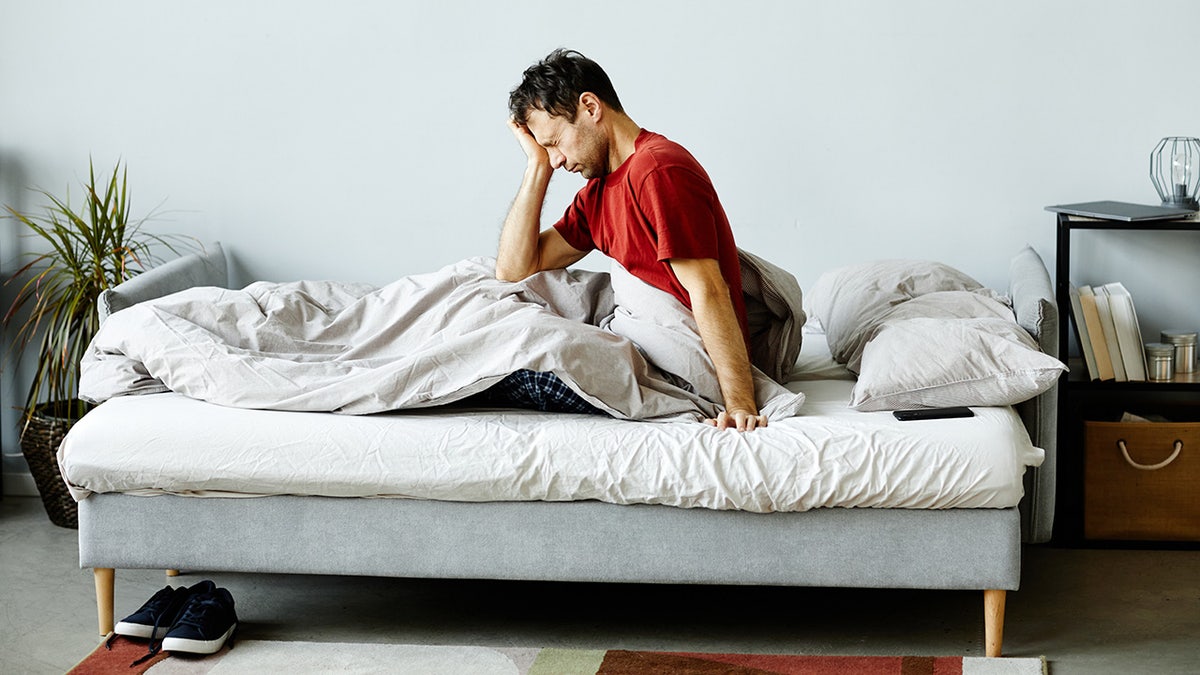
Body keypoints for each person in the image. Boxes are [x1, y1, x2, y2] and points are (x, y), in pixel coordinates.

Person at [497, 48, 765, 432]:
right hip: (637, 343)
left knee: (521, 352)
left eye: (554, 143)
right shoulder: (597, 194)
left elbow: (708, 289)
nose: (556, 159)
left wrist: (739, 403)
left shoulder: (658, 170)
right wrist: (536, 167)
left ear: (590, 107)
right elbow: (514, 269)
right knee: (494, 302)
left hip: (679, 360)